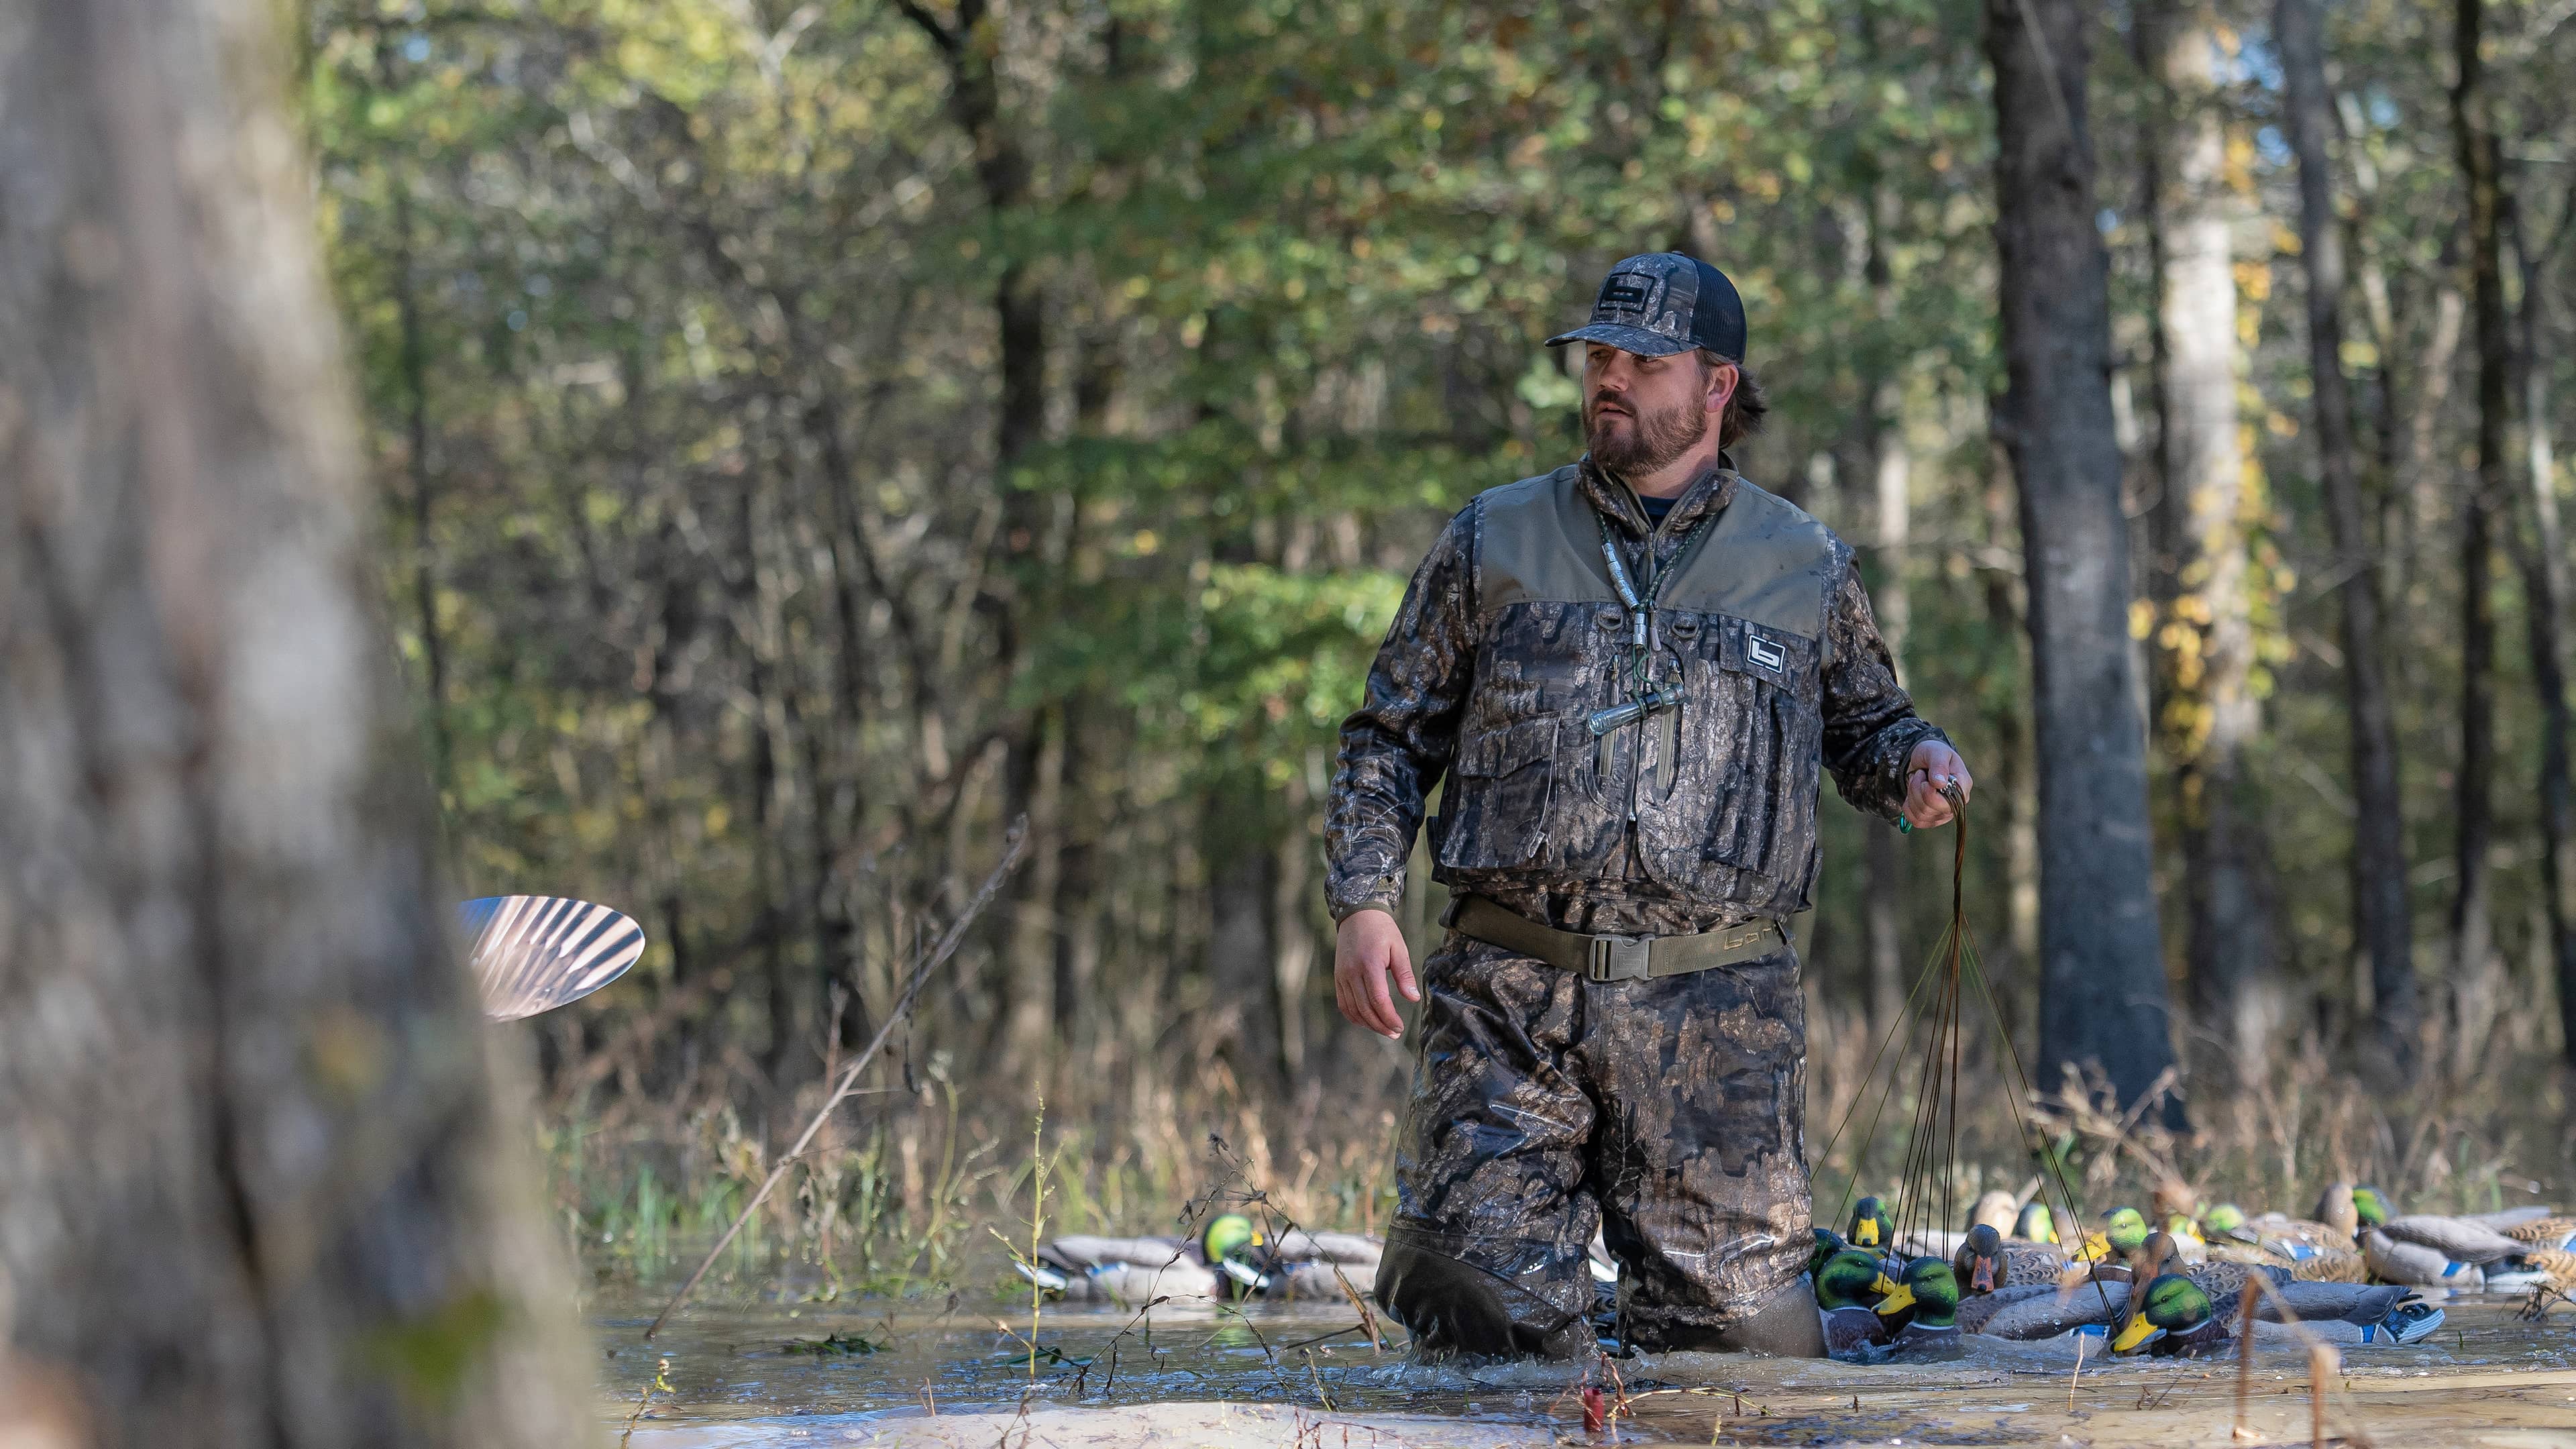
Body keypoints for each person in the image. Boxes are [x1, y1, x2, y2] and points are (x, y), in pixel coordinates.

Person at [1323, 252, 1972, 1358]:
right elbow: (1389, 737)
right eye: (1600, 356)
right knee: (1479, 1338)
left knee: (1744, 1374)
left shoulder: (1804, 562)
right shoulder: (1493, 537)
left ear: (1718, 386)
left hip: (1719, 1020)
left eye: (1643, 361)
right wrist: (1363, 901)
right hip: (1507, 1005)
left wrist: (1919, 763)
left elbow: (1869, 727)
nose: (1609, 378)